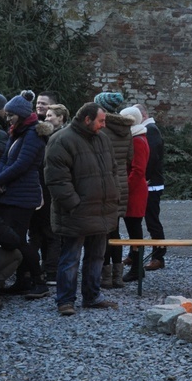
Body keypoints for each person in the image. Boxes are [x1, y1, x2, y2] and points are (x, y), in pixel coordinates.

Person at [45, 102, 120, 315]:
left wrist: (114, 197)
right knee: (70, 258)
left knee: (97, 256)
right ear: (87, 120)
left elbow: (113, 171)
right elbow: (57, 180)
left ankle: (92, 296)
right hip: (76, 213)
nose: (104, 125)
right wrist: (74, 205)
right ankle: (65, 300)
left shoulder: (102, 139)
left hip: (100, 211)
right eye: (101, 121)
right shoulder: (61, 140)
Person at [0, 91, 51, 300]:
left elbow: (22, 164)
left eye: (11, 115)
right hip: (10, 193)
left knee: (17, 239)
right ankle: (23, 280)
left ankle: (38, 281)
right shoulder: (18, 132)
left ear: (21, 114)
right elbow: (5, 159)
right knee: (13, 238)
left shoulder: (33, 134)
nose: (8, 119)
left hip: (22, 195)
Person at [94, 92, 133, 288]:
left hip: (105, 183)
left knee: (103, 233)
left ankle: (105, 277)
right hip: (121, 184)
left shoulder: (100, 129)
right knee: (115, 232)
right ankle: (117, 276)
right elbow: (129, 158)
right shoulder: (127, 129)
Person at [30, 103, 70, 286]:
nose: (46, 118)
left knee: (49, 232)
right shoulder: (47, 136)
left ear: (61, 118)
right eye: (46, 116)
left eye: (50, 115)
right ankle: (41, 269)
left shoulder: (60, 138)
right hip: (43, 187)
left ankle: (49, 270)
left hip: (49, 188)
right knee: (40, 232)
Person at [119, 107, 150, 283]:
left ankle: (137, 268)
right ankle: (135, 266)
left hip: (134, 192)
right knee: (133, 230)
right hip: (133, 190)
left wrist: (124, 187)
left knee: (135, 231)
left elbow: (138, 170)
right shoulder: (136, 138)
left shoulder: (138, 140)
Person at [134, 104, 167, 271]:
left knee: (152, 221)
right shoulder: (146, 129)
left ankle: (158, 256)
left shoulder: (151, 130)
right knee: (138, 220)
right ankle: (135, 254)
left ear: (143, 115)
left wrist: (144, 178)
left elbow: (152, 157)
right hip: (147, 182)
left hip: (151, 183)